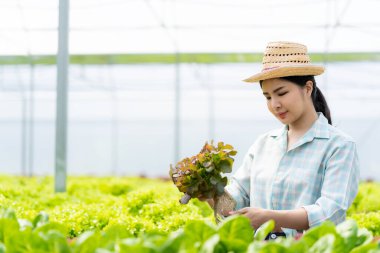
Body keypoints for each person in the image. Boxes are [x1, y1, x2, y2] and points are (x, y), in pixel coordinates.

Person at [204, 41, 360, 240]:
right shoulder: (263, 144)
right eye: (267, 97)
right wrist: (210, 193)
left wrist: (270, 218)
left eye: (282, 93)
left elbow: (330, 212)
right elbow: (234, 206)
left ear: (307, 88)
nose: (274, 104)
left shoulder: (339, 146)